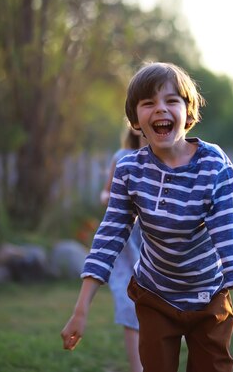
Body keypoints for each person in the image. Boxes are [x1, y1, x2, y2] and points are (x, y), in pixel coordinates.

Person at [61, 62, 233, 372]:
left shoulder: (213, 164)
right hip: (155, 294)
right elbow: (108, 237)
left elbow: (229, 234)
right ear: (135, 121)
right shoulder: (129, 170)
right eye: (149, 103)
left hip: (209, 295)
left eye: (171, 100)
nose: (160, 109)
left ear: (188, 114)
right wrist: (81, 309)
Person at [99, 125, 146, 372]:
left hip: (154, 244)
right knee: (129, 304)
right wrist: (112, 198)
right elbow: (105, 193)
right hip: (128, 244)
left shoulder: (167, 160)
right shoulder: (122, 157)